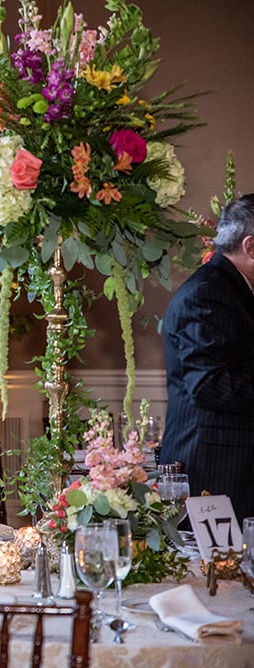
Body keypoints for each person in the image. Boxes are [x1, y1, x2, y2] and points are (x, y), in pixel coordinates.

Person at [161, 193, 254, 522]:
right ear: (251, 246)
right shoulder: (207, 292)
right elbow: (208, 384)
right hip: (216, 468)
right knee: (210, 572)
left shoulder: (230, 289)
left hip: (231, 467)